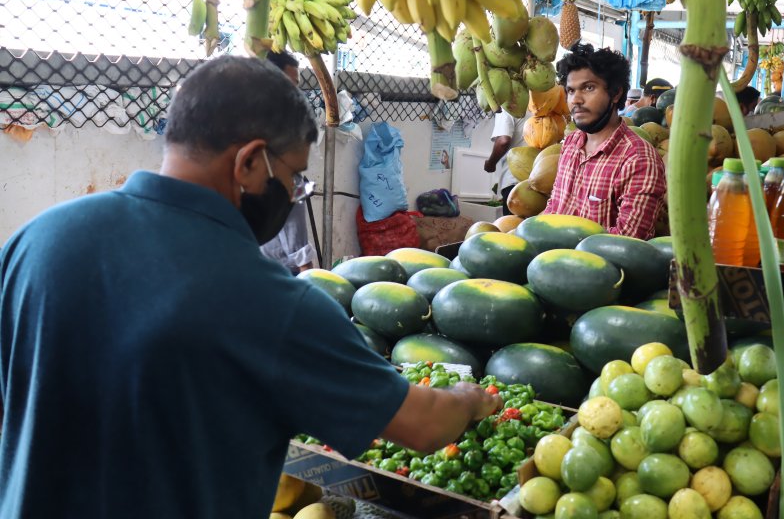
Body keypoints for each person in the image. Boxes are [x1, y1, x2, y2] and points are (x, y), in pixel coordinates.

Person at [0, 56, 500, 518]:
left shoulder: (35, 241)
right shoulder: (271, 303)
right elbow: (422, 425)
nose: (295, 193)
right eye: (295, 176)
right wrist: (469, 398)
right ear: (250, 163)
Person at [543, 43, 666, 239]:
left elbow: (629, 241)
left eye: (588, 88)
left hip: (602, 268)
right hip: (553, 263)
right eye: (571, 91)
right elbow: (554, 208)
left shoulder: (639, 159)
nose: (576, 100)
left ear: (616, 93)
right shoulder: (571, 144)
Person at [263, 49, 316, 274]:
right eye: (290, 84)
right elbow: (290, 214)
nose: (296, 93)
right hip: (280, 266)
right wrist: (307, 269)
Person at [484, 108, 529, 213]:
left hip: (516, 182)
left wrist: (491, 163)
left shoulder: (507, 107)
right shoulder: (544, 105)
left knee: (512, 227)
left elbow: (503, 141)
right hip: (542, 180)